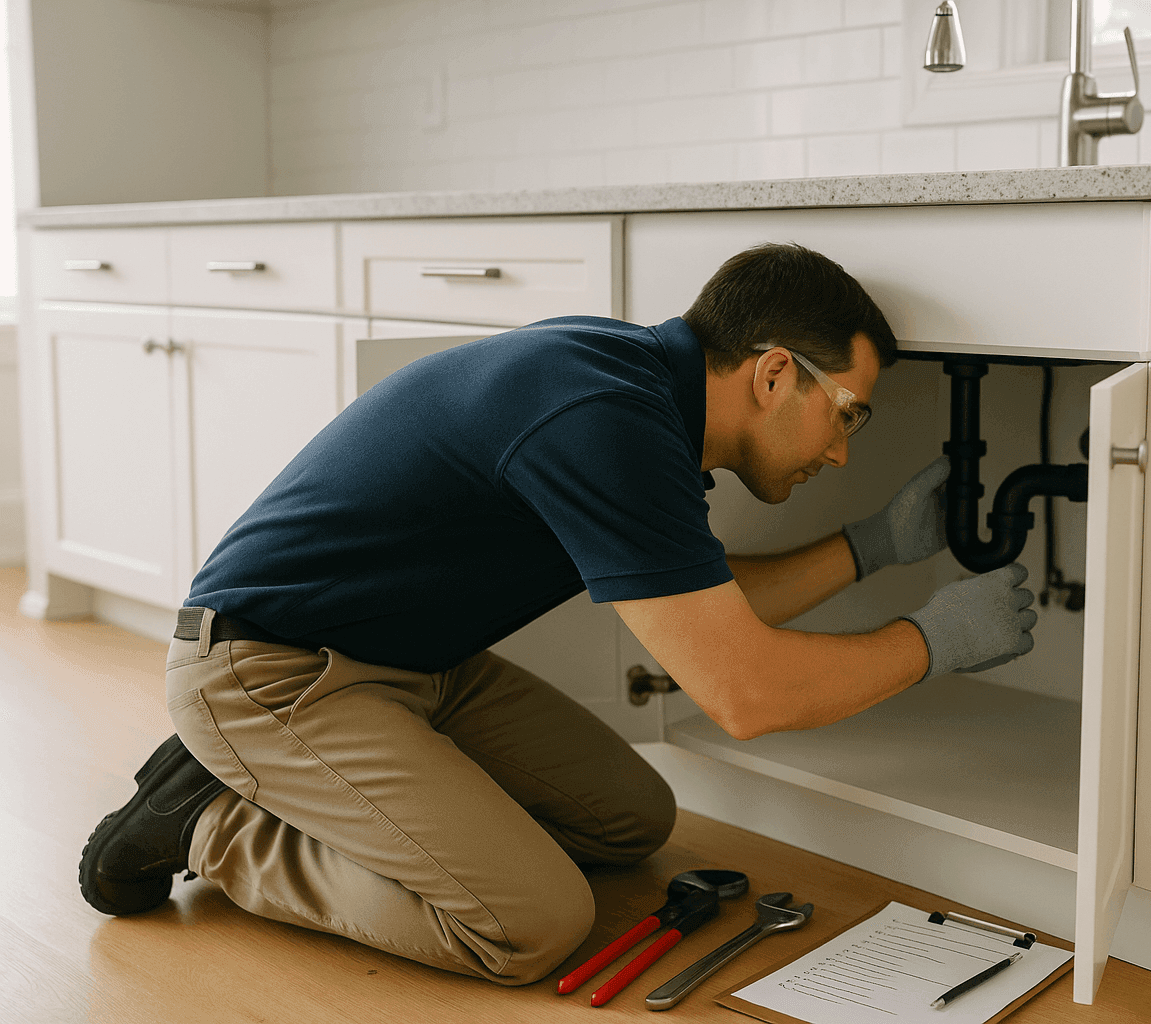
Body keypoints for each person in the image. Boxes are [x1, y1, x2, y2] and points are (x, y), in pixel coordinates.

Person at [78, 242, 1038, 985]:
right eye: (851, 414)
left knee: (632, 820)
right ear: (775, 372)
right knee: (532, 926)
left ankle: (314, 785)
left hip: (414, 665)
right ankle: (211, 822)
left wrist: (873, 546)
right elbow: (746, 690)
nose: (841, 452)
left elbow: (704, 610)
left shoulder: (639, 401)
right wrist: (934, 642)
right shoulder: (606, 420)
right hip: (267, 670)